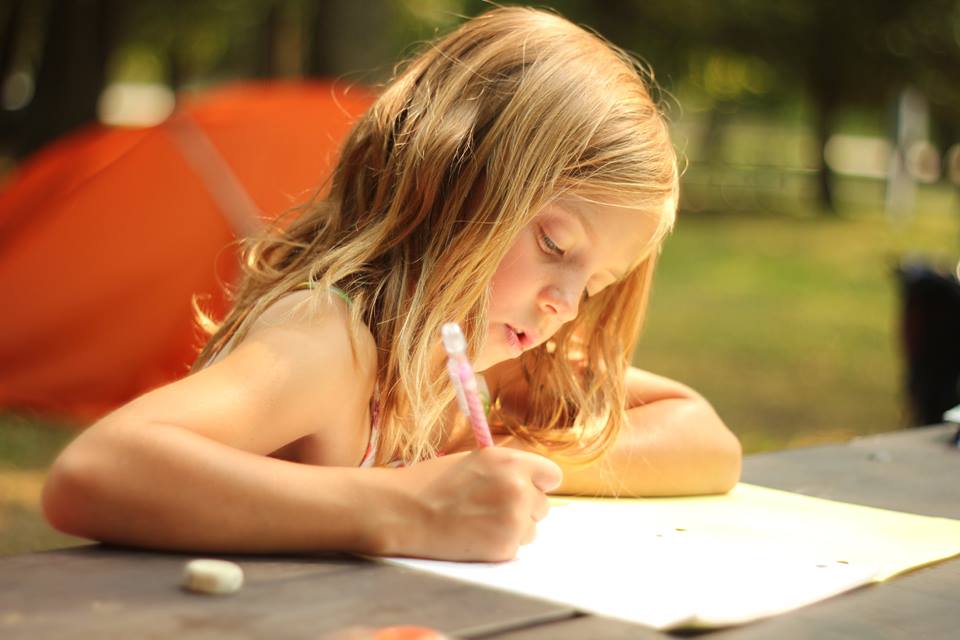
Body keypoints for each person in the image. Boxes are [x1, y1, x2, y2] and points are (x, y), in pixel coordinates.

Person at [43, 6, 741, 562]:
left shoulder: (480, 362)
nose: (565, 302)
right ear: (448, 180)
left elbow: (707, 440)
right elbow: (97, 471)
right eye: (554, 244)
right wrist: (406, 507)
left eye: (595, 284)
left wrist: (498, 468)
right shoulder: (331, 342)